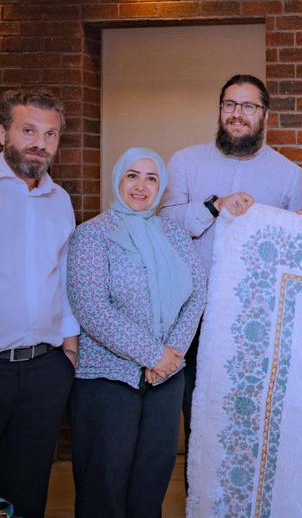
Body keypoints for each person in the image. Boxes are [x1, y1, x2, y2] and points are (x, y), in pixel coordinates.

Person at [160, 74, 302, 453]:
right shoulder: (185, 162)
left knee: (254, 424)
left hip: (257, 321)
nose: (237, 114)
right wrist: (215, 206)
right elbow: (166, 225)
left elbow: (300, 252)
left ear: (265, 115)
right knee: (199, 423)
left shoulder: (291, 177)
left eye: (248, 106)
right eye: (229, 105)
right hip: (192, 316)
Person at [67, 148, 207, 516]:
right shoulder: (92, 235)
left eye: (151, 178)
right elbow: (92, 309)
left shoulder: (175, 235)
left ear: (161, 187)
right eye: (132, 176)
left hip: (165, 381)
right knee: (103, 487)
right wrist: (154, 355)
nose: (141, 186)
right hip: (108, 380)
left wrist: (172, 354)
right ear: (118, 180)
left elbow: (197, 294)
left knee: (151, 485)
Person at [0, 89, 79, 518]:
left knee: (27, 491)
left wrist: (69, 349)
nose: (39, 143)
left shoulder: (60, 201)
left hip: (44, 370)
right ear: (3, 133)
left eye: (50, 134)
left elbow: (63, 278)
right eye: (28, 131)